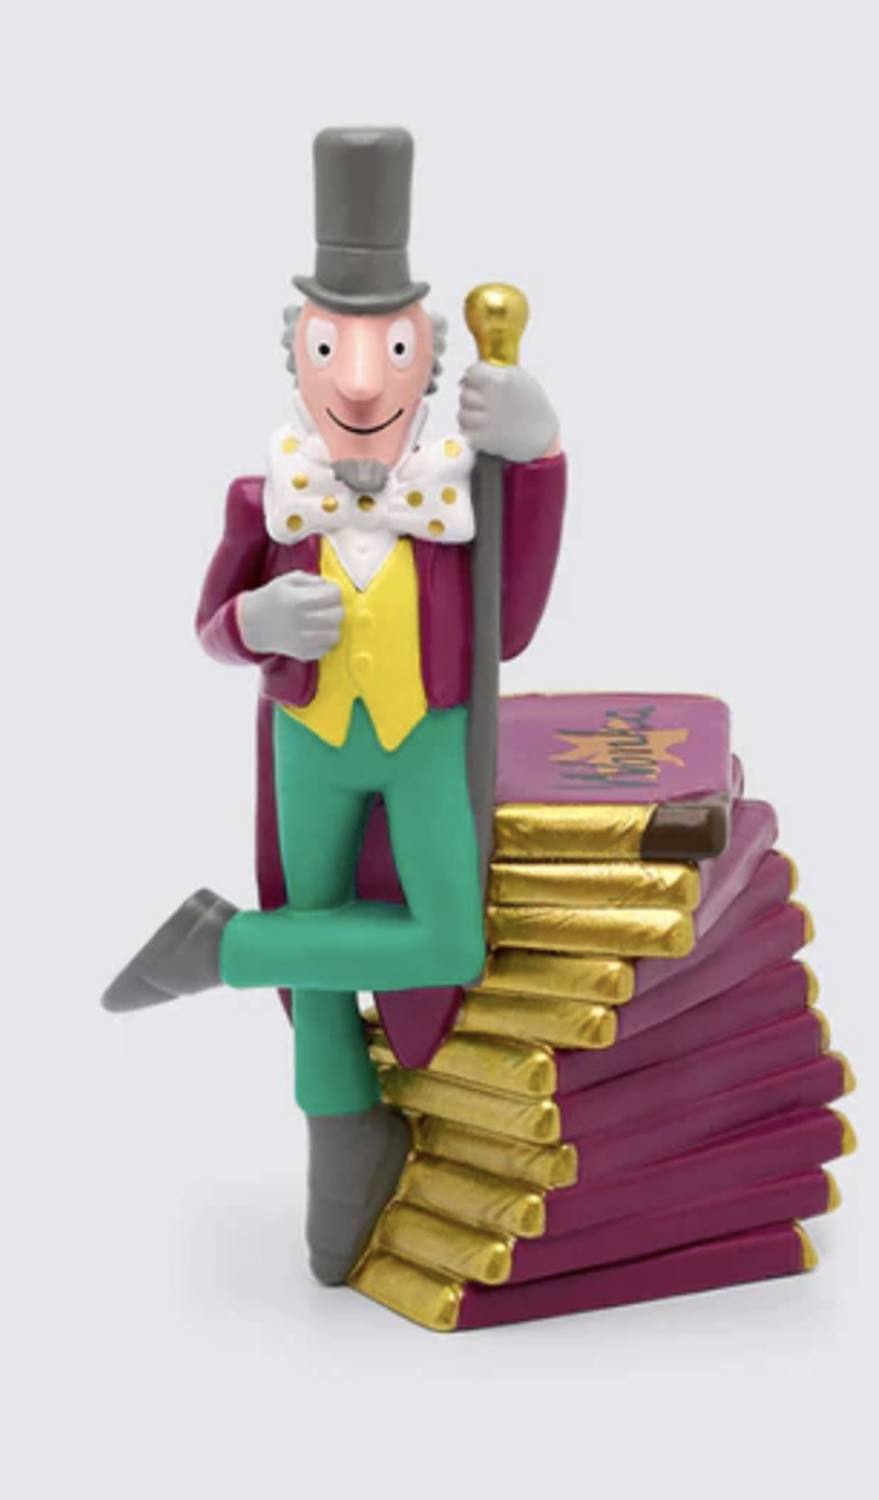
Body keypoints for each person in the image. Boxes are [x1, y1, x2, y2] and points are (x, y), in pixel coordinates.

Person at [103, 126, 567, 1283]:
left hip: (426, 739)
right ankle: (341, 1148)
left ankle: (223, 947)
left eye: (390, 350)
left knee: (449, 938)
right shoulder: (263, 500)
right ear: (300, 360)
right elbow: (212, 625)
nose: (360, 382)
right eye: (331, 350)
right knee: (319, 976)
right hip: (307, 741)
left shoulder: (459, 503)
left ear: (426, 360)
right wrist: (256, 624)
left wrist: (538, 457)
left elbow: (510, 627)